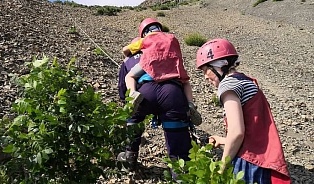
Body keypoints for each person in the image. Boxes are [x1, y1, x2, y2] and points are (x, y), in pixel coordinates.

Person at [196, 38, 290, 183]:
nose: (205, 76)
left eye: (206, 70)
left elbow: (237, 132)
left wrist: (221, 167)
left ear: (219, 65)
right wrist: (222, 140)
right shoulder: (245, 81)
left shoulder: (227, 86)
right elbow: (251, 130)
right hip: (262, 159)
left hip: (249, 161)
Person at [116, 37, 199, 178]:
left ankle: (129, 157)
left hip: (146, 90)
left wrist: (126, 98)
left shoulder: (144, 44)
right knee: (176, 131)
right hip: (172, 93)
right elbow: (185, 82)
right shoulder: (172, 48)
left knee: (134, 119)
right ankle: (180, 173)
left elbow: (125, 53)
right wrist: (189, 104)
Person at [122, 18, 201, 125]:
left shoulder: (145, 39)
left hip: (149, 63)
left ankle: (133, 94)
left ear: (144, 32)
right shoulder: (172, 37)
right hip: (172, 66)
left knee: (129, 76)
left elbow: (125, 51)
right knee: (186, 82)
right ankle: (190, 104)